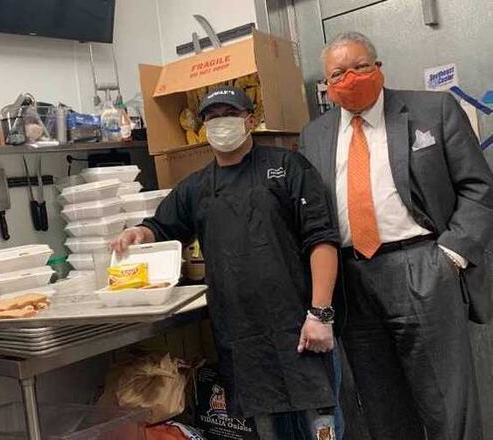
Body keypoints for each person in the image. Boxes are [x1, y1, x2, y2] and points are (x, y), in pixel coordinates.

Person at [112, 86, 342, 440]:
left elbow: (321, 238)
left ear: (249, 120)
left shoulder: (286, 167)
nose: (221, 123)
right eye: (212, 117)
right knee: (266, 430)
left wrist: (320, 313)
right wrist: (140, 234)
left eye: (229, 114)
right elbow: (163, 226)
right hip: (242, 335)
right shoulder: (196, 187)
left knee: (320, 426)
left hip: (298, 325)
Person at [299, 31, 493, 440]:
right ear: (327, 87)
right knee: (382, 409)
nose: (350, 78)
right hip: (352, 282)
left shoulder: (433, 109)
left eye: (360, 67)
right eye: (338, 74)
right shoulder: (314, 136)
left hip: (423, 266)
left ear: (379, 68)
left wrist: (451, 256)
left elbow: (479, 188)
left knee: (448, 407)